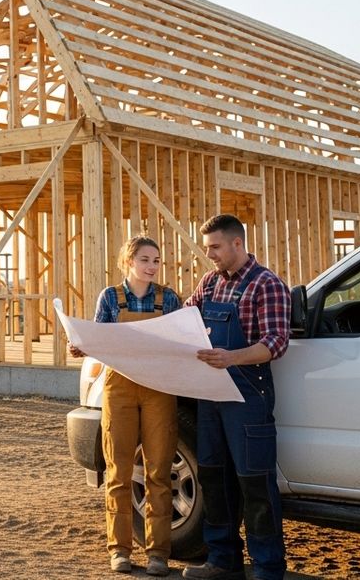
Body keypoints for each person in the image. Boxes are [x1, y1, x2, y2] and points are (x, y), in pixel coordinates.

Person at [181, 215, 290, 580]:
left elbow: (276, 343)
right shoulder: (209, 283)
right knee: (214, 477)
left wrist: (232, 357)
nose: (209, 254)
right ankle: (222, 560)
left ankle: (267, 568)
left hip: (248, 393)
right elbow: (184, 318)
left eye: (214, 247)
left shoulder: (266, 284)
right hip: (210, 394)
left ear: (237, 244)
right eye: (207, 247)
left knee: (254, 483)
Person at [72, 236, 182, 576]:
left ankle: (158, 553)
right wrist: (82, 347)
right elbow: (100, 343)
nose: (152, 266)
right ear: (129, 261)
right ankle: (119, 550)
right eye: (145, 259)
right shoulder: (110, 297)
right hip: (118, 388)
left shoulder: (169, 299)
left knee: (159, 473)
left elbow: (180, 342)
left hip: (158, 389)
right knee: (119, 472)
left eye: (157, 260)